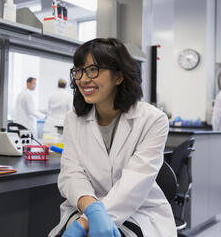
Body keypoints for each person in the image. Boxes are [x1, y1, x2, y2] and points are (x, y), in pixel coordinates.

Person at [49, 38, 176, 237]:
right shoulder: (73, 119)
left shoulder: (153, 120)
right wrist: (92, 210)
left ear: (118, 77)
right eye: (78, 71)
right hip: (85, 206)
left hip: (137, 212)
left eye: (93, 70)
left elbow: (134, 184)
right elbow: (72, 174)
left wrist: (85, 223)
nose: (82, 79)